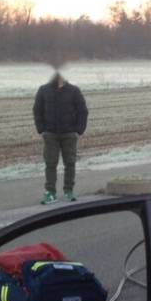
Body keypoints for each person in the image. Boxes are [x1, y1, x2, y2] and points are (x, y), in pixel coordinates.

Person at [33, 69, 88, 204]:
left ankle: (69, 190)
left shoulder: (74, 91)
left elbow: (83, 111)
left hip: (69, 134)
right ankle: (50, 192)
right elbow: (37, 110)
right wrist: (41, 129)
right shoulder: (43, 90)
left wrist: (78, 130)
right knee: (50, 164)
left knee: (70, 163)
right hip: (50, 134)